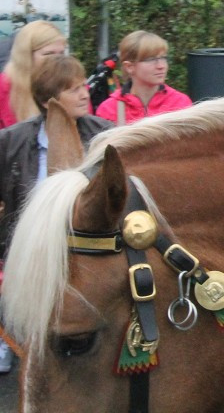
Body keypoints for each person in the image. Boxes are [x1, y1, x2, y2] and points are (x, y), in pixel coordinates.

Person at [0, 55, 113, 374]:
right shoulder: (12, 141)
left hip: (88, 241)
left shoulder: (105, 135)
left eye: (83, 86)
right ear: (50, 100)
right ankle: (12, 339)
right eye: (73, 89)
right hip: (30, 241)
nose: (84, 94)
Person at [94, 31, 193, 125]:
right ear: (129, 67)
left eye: (163, 58)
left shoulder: (180, 104)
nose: (161, 66)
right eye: (151, 60)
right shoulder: (109, 110)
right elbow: (105, 144)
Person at [0, 20, 66, 129]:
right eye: (48, 54)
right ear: (26, 55)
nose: (57, 60)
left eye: (61, 53)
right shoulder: (2, 88)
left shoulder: (75, 86)